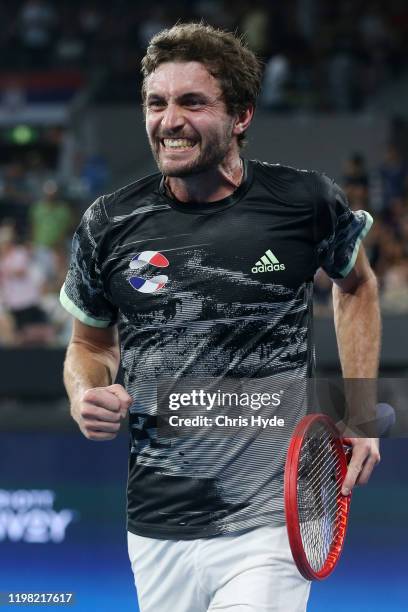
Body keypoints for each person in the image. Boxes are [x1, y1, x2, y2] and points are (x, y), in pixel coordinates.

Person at [60, 23, 381, 612]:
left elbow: (356, 284)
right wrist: (86, 391)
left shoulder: (305, 202)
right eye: (156, 103)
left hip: (272, 514)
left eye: (192, 102)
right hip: (156, 523)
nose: (169, 120)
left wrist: (359, 409)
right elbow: (89, 344)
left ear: (241, 117)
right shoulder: (108, 223)